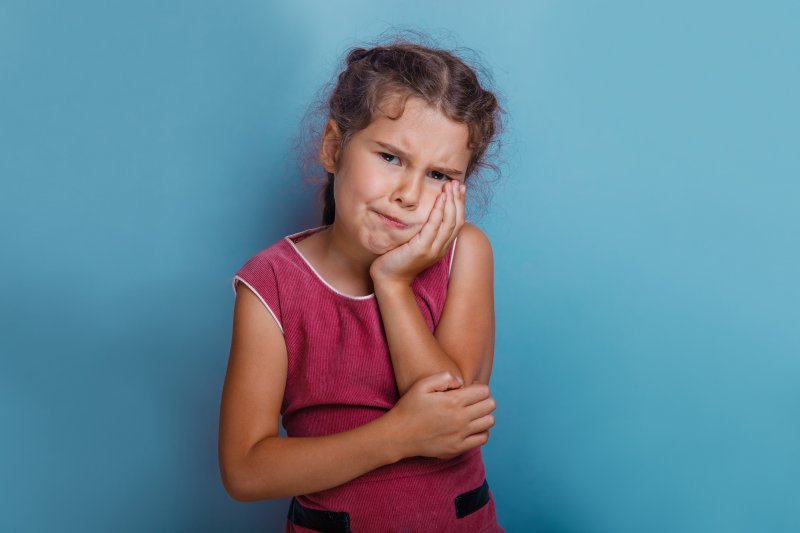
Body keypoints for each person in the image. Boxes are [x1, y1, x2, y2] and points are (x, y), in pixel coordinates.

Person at [219, 35, 506, 532]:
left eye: (439, 174)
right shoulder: (271, 284)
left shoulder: (467, 254)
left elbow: (450, 415)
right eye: (391, 157)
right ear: (335, 147)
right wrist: (396, 436)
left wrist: (393, 283)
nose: (409, 195)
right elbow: (245, 470)